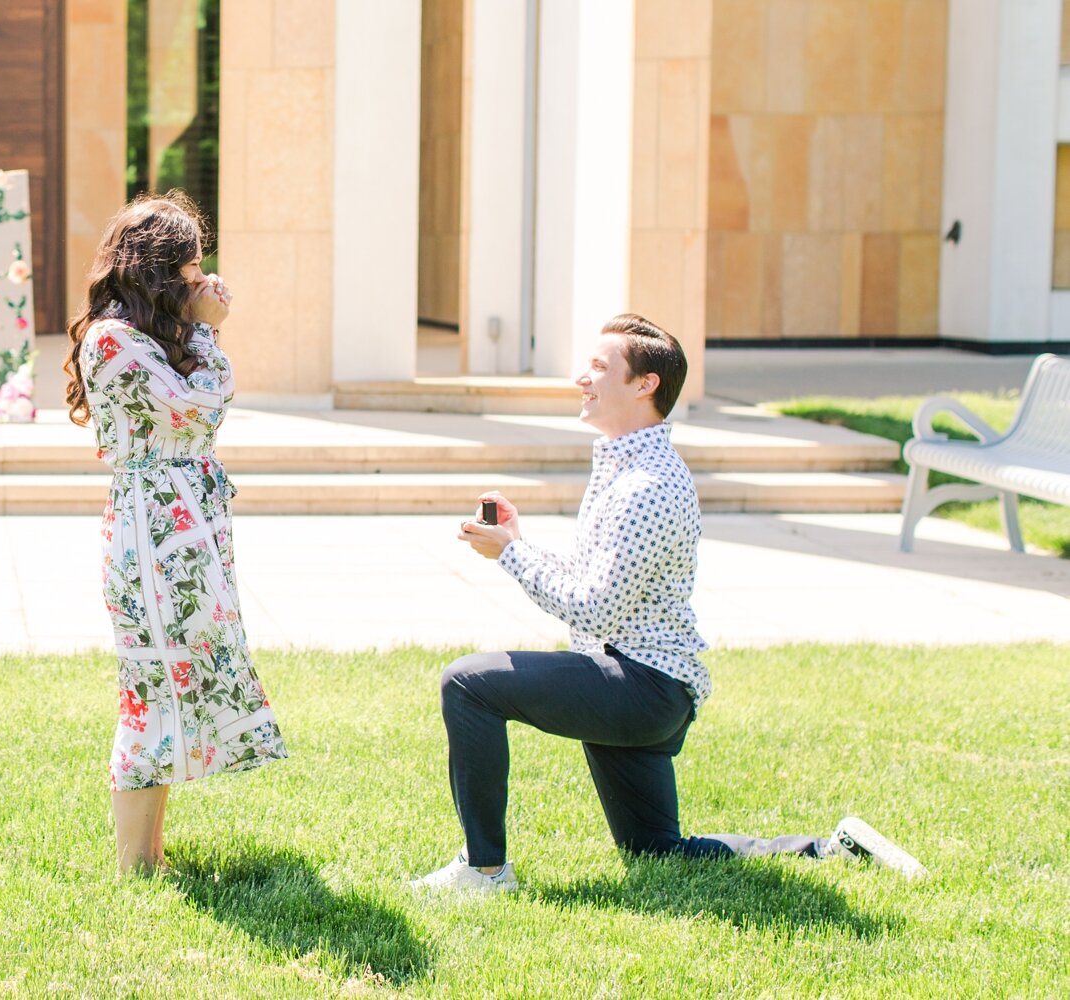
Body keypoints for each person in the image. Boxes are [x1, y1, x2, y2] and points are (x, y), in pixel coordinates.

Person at [410, 313, 925, 893]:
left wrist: (509, 555)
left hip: (638, 686)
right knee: (657, 849)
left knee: (467, 683)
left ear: (644, 384)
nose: (582, 377)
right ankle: (829, 851)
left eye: (599, 367)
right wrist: (518, 544)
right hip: (641, 685)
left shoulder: (647, 485)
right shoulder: (626, 467)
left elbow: (593, 609)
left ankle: (484, 870)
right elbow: (594, 584)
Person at [64, 191, 288, 874]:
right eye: (188, 274)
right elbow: (197, 408)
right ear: (157, 275)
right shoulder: (113, 342)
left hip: (184, 523)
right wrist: (206, 329)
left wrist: (193, 327)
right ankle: (136, 862)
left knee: (178, 677)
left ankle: (150, 854)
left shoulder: (151, 337)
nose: (200, 284)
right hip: (153, 531)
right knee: (152, 683)